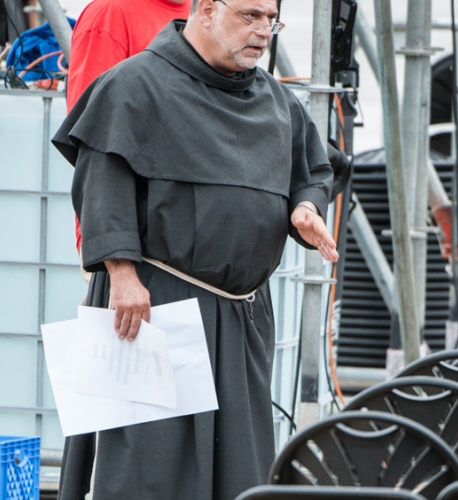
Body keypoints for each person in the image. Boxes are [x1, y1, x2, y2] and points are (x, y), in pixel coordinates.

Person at [50, 0, 337, 498]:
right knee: (146, 470)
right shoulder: (135, 84)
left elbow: (311, 170)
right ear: (206, 10)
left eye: (270, 19)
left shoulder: (276, 100)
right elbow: (102, 182)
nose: (263, 30)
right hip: (153, 306)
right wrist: (121, 275)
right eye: (250, 16)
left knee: (238, 472)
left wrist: (304, 208)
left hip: (242, 318)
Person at [66, 0, 192, 256]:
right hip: (132, 241)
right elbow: (93, 134)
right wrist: (114, 250)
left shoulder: (206, 11)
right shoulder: (111, 13)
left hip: (190, 237)